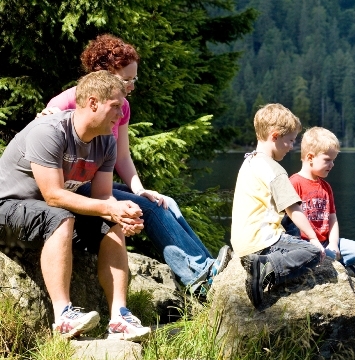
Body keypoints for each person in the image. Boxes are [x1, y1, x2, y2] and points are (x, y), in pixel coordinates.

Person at [40, 34, 230, 296]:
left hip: (93, 182)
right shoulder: (65, 102)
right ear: (104, 74)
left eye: (134, 79)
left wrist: (139, 189)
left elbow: (122, 157)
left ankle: (207, 272)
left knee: (166, 203)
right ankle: (200, 279)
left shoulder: (122, 108)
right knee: (150, 210)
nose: (131, 86)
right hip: (71, 189)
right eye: (126, 79)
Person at [0, 71, 150, 341]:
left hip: (45, 214)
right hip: (7, 209)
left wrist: (122, 214)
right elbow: (53, 196)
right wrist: (110, 208)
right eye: (115, 106)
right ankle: (64, 316)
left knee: (110, 222)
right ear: (93, 103)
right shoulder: (50, 132)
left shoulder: (106, 141)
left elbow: (103, 197)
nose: (121, 114)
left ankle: (119, 318)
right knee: (59, 216)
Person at [231, 104, 324, 308]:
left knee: (289, 231)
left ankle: (259, 269)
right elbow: (294, 210)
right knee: (312, 253)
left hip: (241, 246)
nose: (292, 147)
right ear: (275, 136)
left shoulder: (248, 162)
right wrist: (315, 239)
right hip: (262, 243)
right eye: (290, 140)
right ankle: (267, 268)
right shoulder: (274, 170)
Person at [284, 127, 355, 277]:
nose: (332, 165)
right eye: (327, 160)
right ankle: (336, 267)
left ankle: (333, 264)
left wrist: (333, 243)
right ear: (310, 158)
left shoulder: (326, 187)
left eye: (333, 160)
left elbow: (332, 218)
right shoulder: (294, 183)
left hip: (326, 242)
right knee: (320, 255)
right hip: (304, 245)